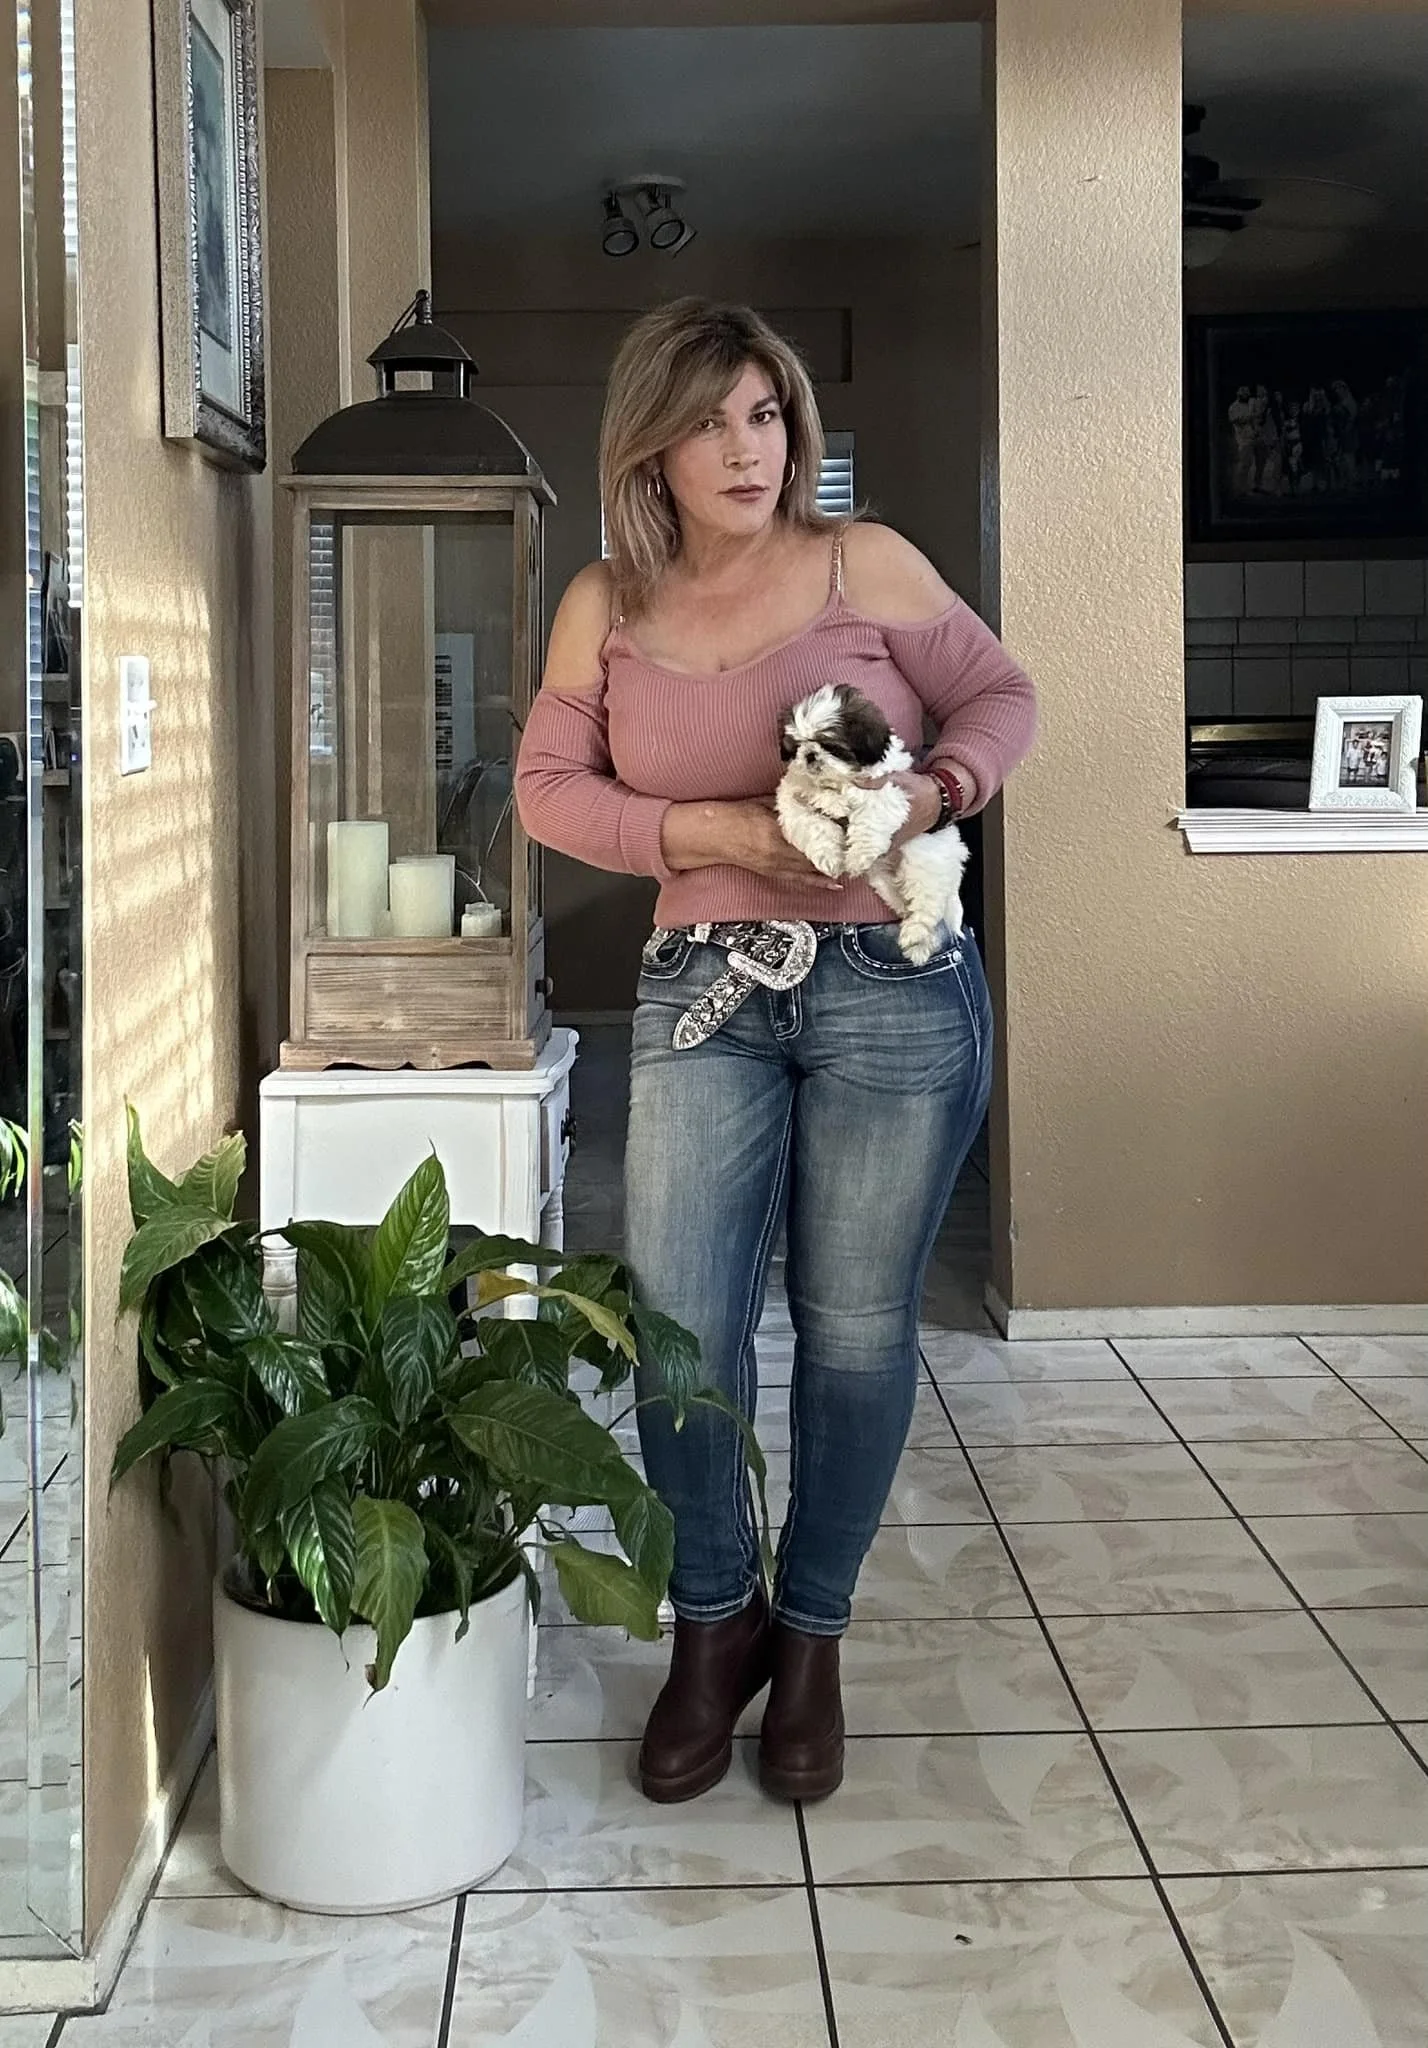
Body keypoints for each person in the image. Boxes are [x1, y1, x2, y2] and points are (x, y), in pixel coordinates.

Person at [515, 298, 1036, 1807]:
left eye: (766, 414)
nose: (747, 450)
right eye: (708, 420)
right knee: (681, 1334)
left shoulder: (860, 561)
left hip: (892, 976)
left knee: (858, 1331)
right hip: (699, 994)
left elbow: (1002, 694)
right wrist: (714, 829)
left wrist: (934, 791)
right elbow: (552, 789)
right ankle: (715, 1623)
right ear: (648, 445)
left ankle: (810, 1642)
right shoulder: (605, 602)